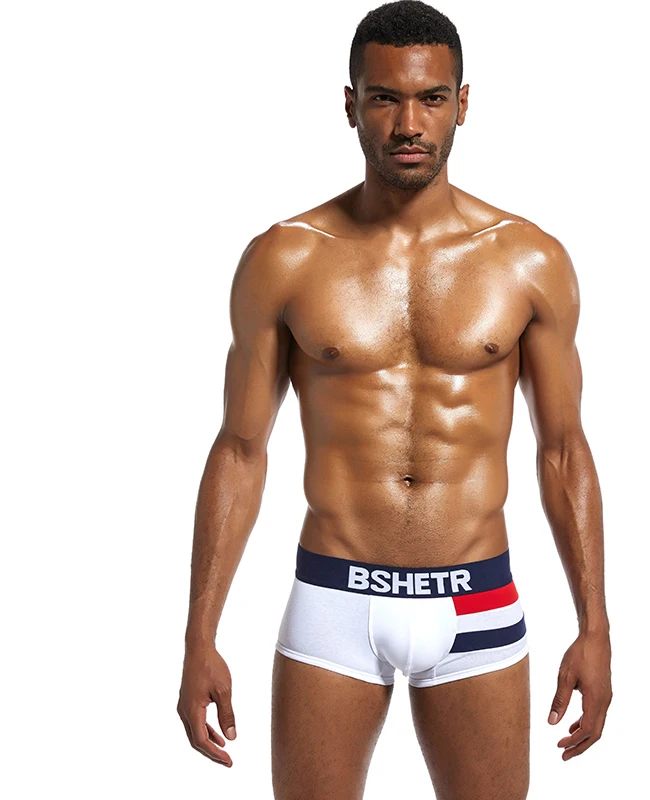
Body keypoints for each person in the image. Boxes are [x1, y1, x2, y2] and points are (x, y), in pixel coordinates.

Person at [177, 1, 612, 796]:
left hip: (477, 599)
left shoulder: (529, 261)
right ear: (351, 105)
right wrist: (198, 636)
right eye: (385, 98)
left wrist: (596, 626)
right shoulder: (286, 258)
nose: (409, 123)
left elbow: (561, 450)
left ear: (462, 104)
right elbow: (240, 450)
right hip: (334, 600)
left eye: (431, 98)